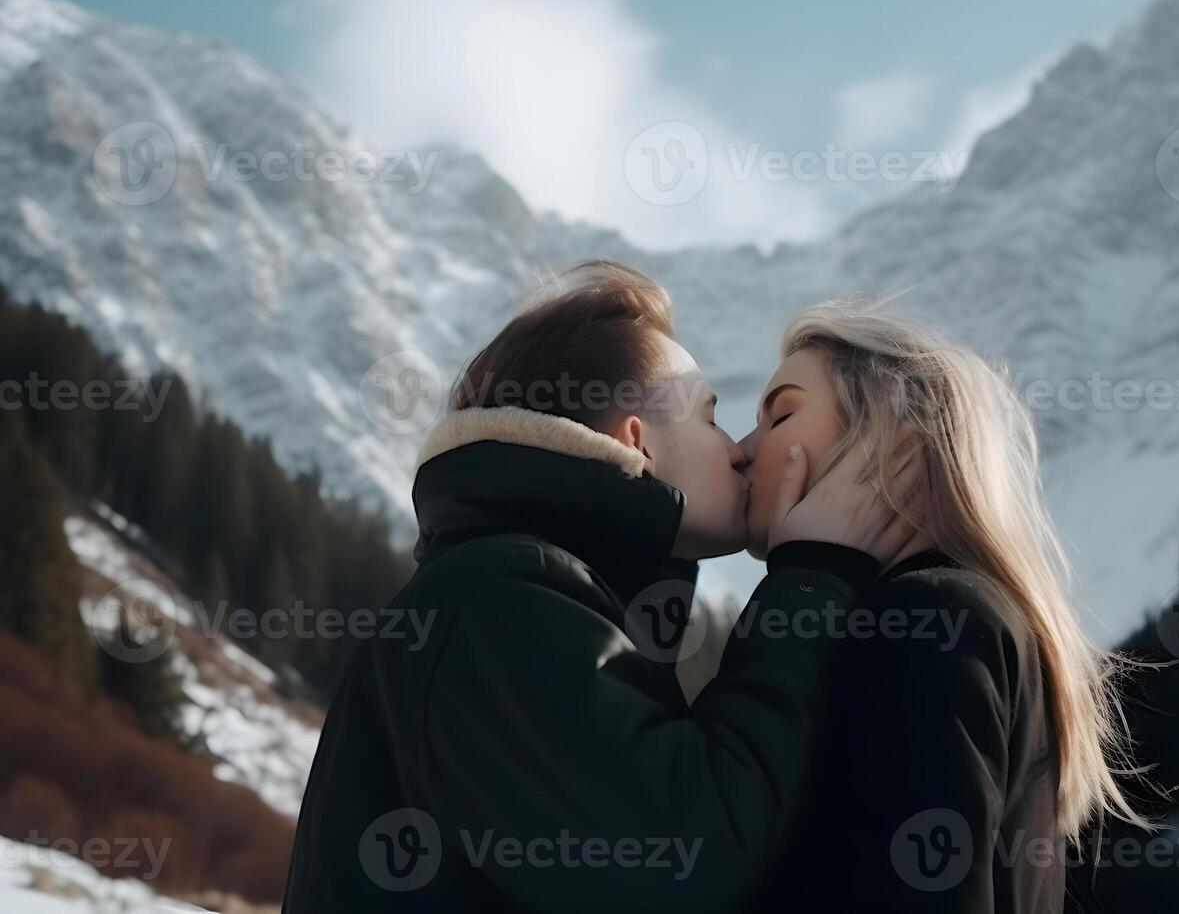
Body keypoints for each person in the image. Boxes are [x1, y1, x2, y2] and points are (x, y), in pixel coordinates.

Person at [281, 261, 916, 912]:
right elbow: (680, 860)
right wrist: (811, 580)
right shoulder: (496, 601)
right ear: (635, 443)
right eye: (708, 418)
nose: (738, 451)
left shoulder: (525, 594)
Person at [737, 300, 1153, 913]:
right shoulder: (962, 614)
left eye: (781, 416)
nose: (743, 450)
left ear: (891, 439)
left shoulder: (923, 622)